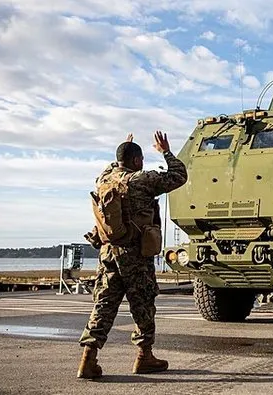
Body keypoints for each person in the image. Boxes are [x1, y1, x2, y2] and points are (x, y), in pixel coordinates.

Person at [77, 131, 188, 380]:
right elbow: (179, 176)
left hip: (108, 253)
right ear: (138, 161)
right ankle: (144, 356)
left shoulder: (104, 179)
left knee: (104, 304)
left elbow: (111, 166)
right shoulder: (142, 179)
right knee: (143, 305)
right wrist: (165, 152)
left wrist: (125, 146)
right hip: (136, 255)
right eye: (141, 158)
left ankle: (88, 358)